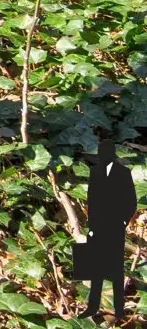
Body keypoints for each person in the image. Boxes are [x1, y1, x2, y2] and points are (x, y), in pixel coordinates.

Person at [76, 132, 135, 318]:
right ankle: (92, 306)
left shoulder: (124, 173)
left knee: (116, 267)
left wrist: (124, 221)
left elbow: (131, 201)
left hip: (116, 225)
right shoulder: (95, 172)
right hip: (98, 225)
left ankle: (118, 308)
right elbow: (92, 200)